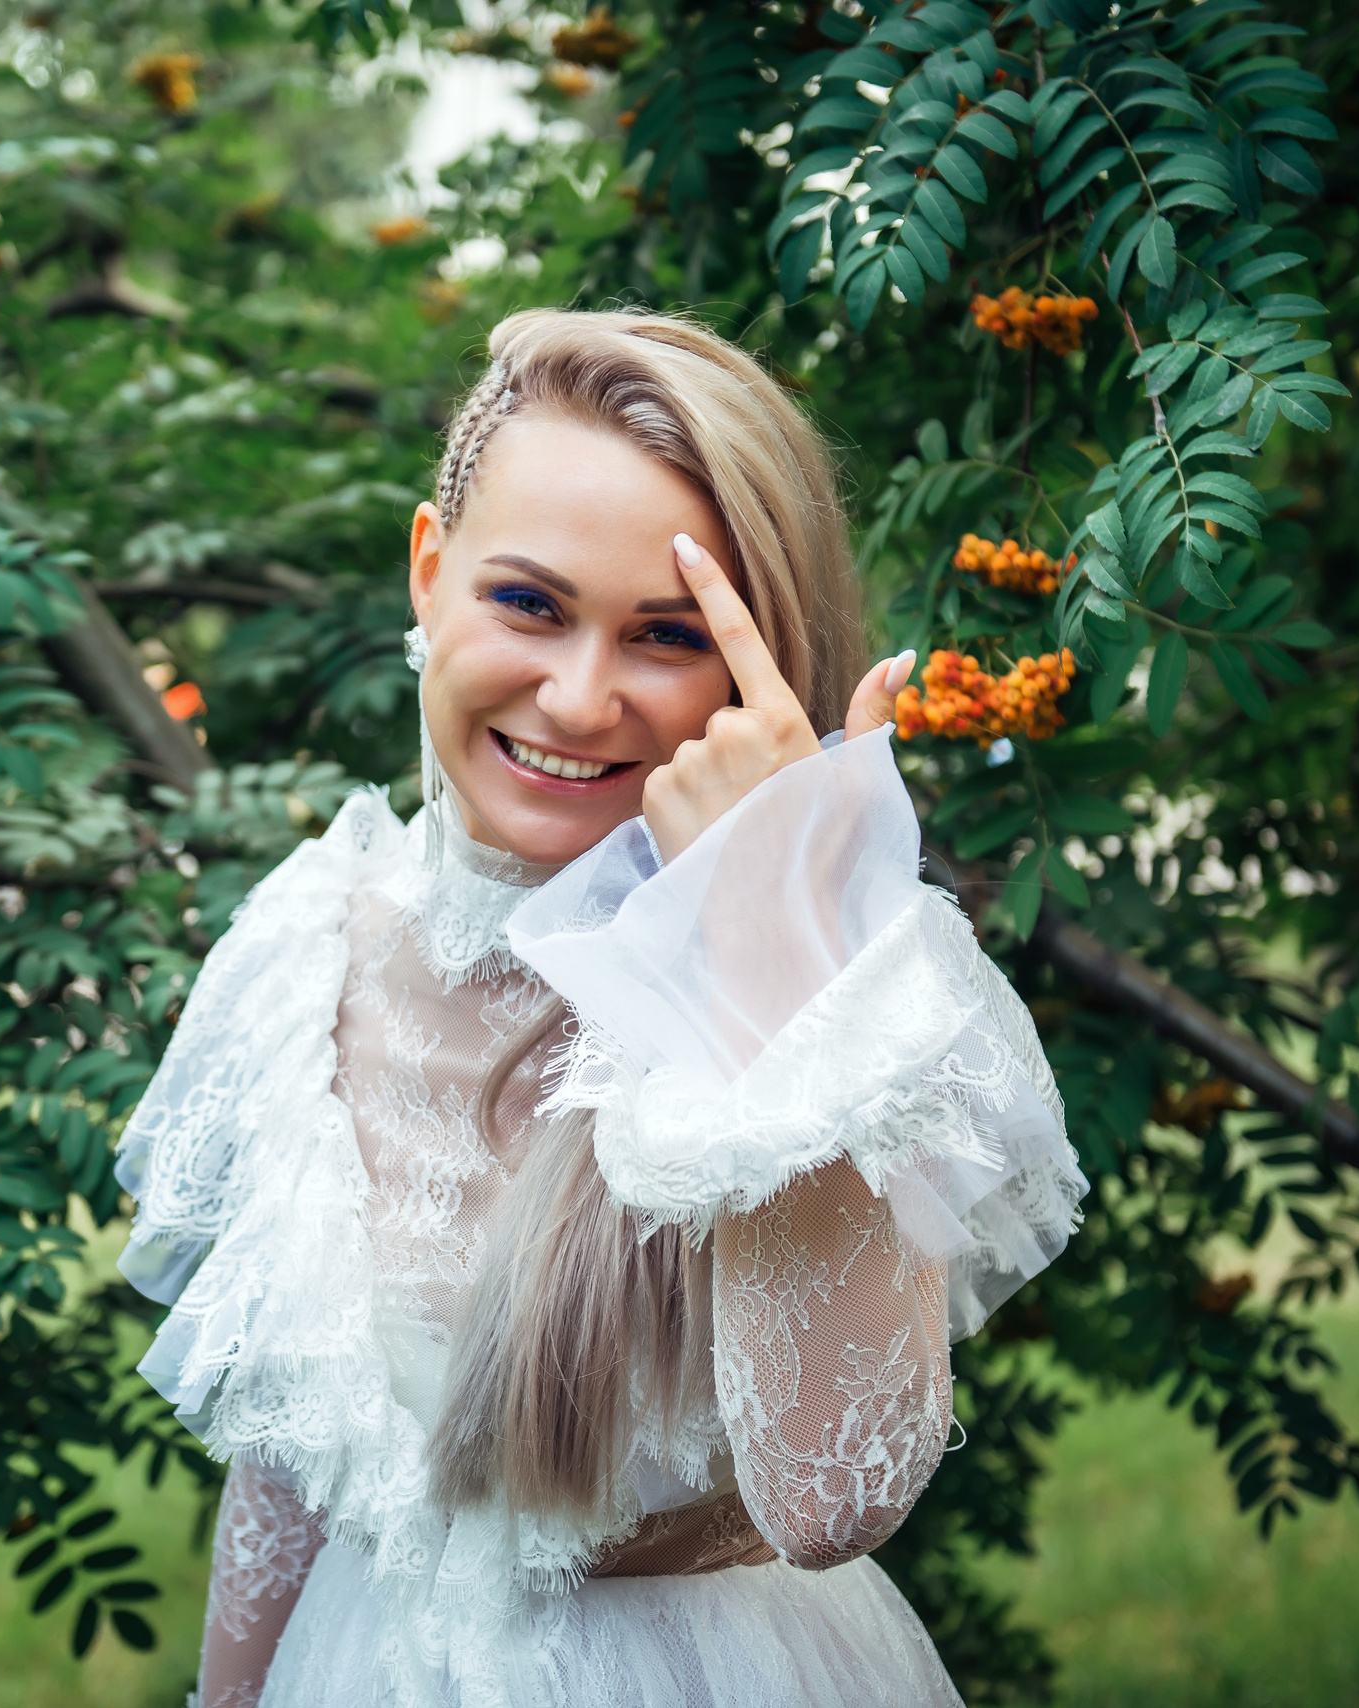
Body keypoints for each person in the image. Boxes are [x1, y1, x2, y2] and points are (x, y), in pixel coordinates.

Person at [117, 308, 1085, 1708]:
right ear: (429, 574)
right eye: (528, 604)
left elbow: (828, 1499)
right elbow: (300, 1462)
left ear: (759, 665)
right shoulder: (299, 956)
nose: (576, 700)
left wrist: (762, 944)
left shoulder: (850, 996)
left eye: (667, 634)